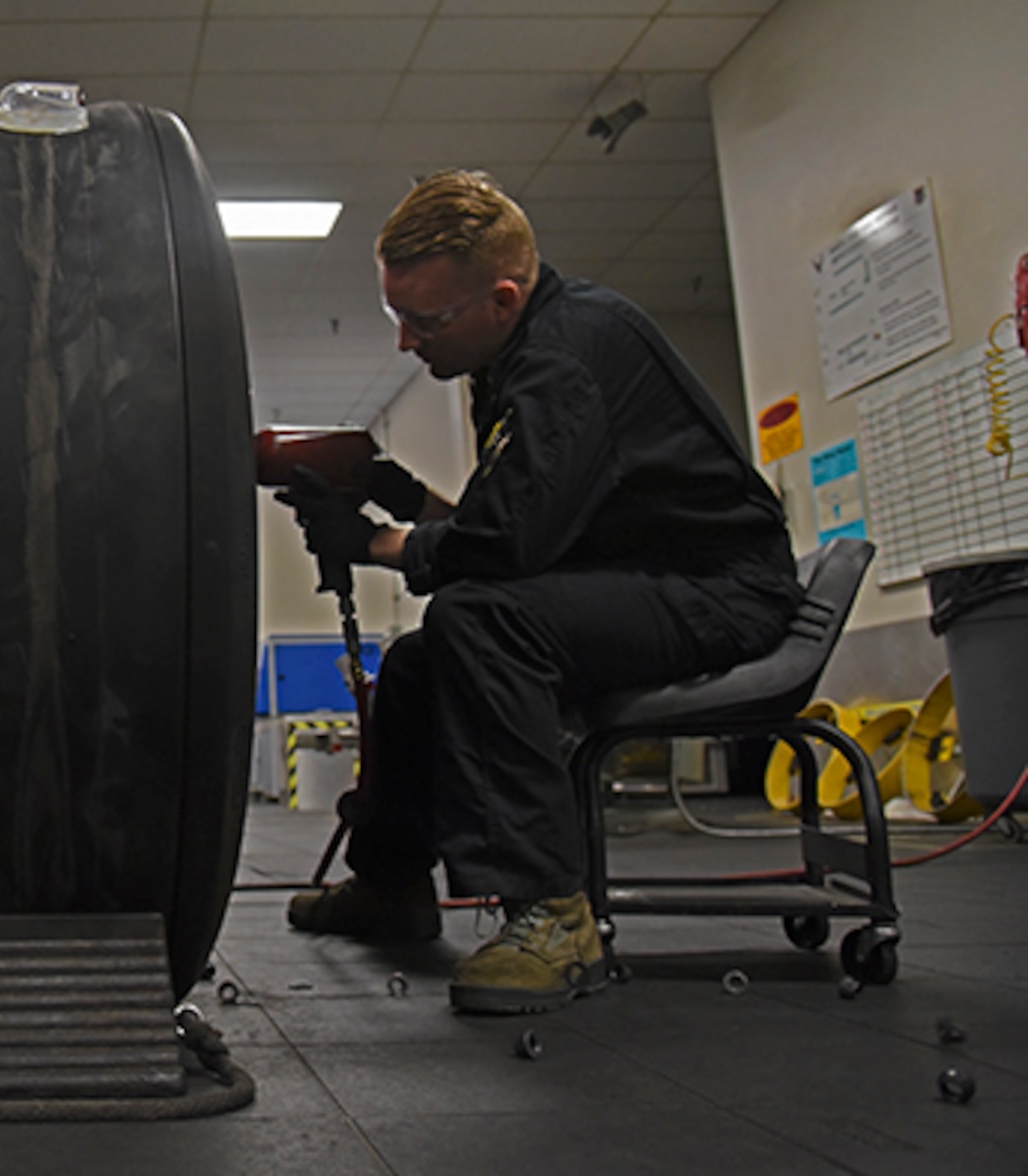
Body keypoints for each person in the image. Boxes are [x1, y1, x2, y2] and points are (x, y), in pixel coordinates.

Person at [282, 171, 800, 1015]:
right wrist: (399, 496)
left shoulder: (563, 359)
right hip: (637, 579)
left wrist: (371, 544)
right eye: (396, 317)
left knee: (478, 622)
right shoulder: (513, 350)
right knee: (418, 660)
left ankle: (555, 916)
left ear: (503, 296)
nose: (407, 343)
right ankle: (393, 883)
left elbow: (502, 551)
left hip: (719, 591)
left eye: (425, 321)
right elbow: (512, 524)